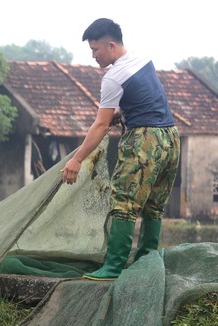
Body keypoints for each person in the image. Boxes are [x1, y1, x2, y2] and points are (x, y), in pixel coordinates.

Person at [61, 18, 180, 280]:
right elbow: (142, 101)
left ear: (111, 45)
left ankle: (113, 268)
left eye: (95, 50)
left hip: (144, 141)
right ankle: (147, 262)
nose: (93, 56)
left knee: (124, 201)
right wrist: (122, 113)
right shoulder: (142, 60)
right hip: (170, 138)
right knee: (153, 206)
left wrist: (77, 159)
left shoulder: (113, 77)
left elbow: (101, 124)